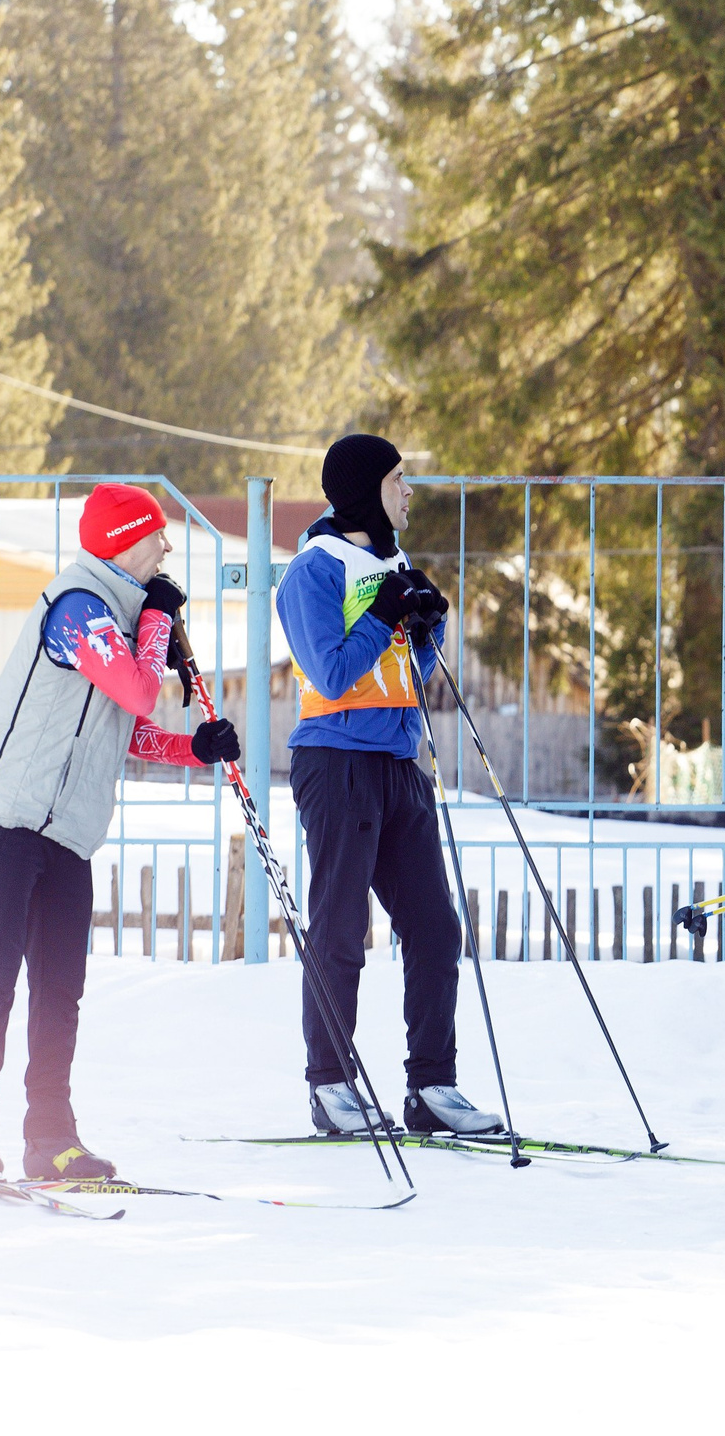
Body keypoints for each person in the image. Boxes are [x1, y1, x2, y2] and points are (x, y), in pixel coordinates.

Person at [0, 483, 241, 1180]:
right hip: (9, 820)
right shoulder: (78, 608)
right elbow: (138, 688)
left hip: (68, 832)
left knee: (61, 992)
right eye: (157, 534)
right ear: (126, 539)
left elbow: (132, 729)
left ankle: (51, 1137)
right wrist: (157, 628)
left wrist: (194, 749)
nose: (167, 547)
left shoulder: (121, 615)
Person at [276, 433, 503, 1139]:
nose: (409, 493)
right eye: (400, 480)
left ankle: (431, 1085)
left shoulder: (391, 562)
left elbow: (407, 673)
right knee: (342, 930)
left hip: (400, 764)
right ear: (367, 488)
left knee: (436, 929)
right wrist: (384, 613)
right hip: (336, 763)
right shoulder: (314, 569)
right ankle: (332, 1086)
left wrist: (427, 627)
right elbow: (332, 671)